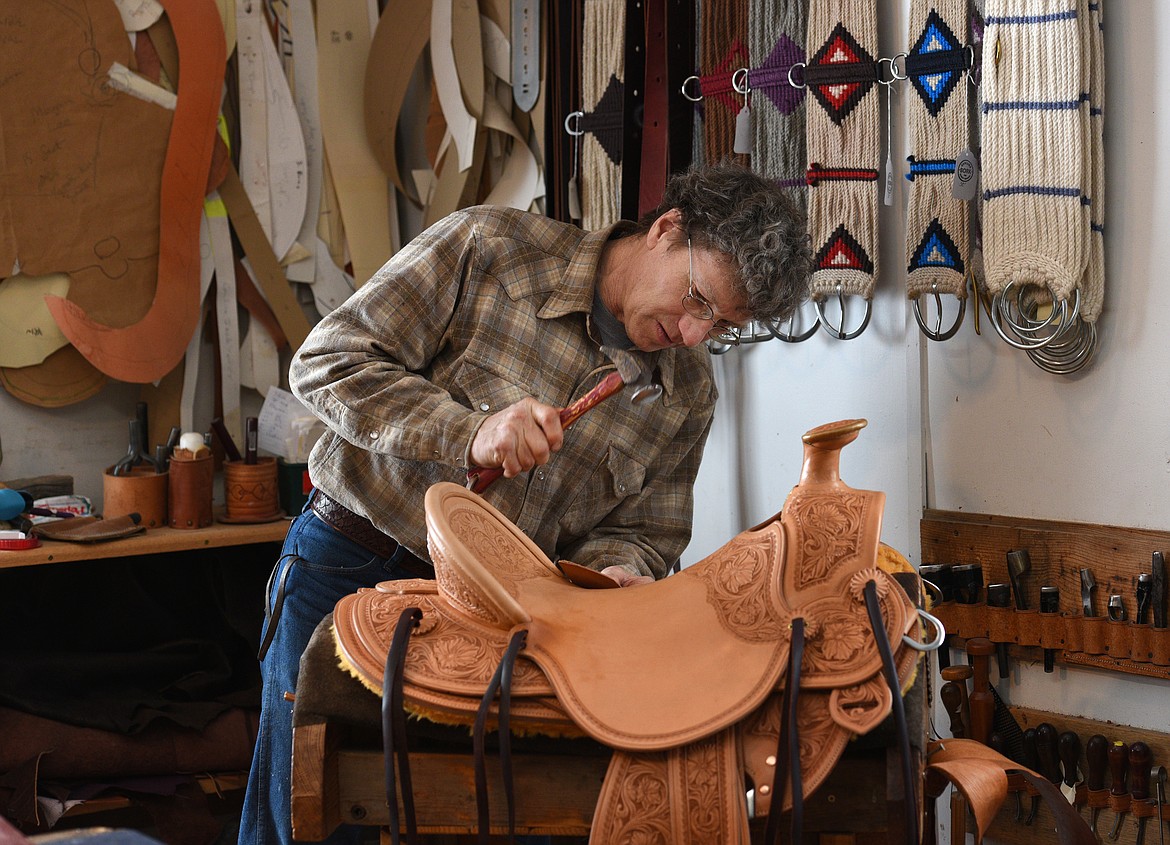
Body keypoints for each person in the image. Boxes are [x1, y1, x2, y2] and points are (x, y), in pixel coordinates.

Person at [238, 160, 811, 844]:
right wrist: (470, 430)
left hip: (500, 630)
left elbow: (641, 533)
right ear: (665, 229)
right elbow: (327, 362)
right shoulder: (491, 249)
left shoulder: (686, 395)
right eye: (696, 298)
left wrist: (619, 573)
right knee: (304, 822)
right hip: (350, 568)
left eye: (719, 324)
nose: (693, 335)